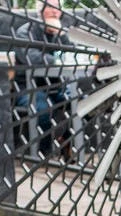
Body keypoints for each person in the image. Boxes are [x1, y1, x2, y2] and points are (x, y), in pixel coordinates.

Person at [14, 0, 73, 158]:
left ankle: (66, 138)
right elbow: (31, 58)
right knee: (43, 108)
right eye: (51, 8)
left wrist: (61, 37)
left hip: (55, 85)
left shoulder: (61, 33)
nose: (55, 12)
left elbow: (71, 56)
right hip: (29, 87)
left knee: (80, 100)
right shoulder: (26, 32)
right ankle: (44, 153)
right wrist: (57, 60)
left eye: (58, 9)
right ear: (41, 11)